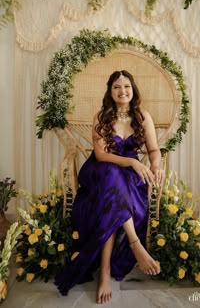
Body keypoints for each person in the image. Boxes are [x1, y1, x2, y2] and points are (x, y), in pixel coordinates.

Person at [55, 70, 165, 304]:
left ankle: (106, 270)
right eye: (117, 87)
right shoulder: (102, 116)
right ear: (110, 91)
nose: (122, 91)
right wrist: (133, 161)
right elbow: (101, 155)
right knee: (112, 178)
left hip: (128, 177)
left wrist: (156, 165)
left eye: (126, 86)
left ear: (133, 89)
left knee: (115, 196)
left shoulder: (143, 117)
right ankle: (135, 245)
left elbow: (154, 150)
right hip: (101, 171)